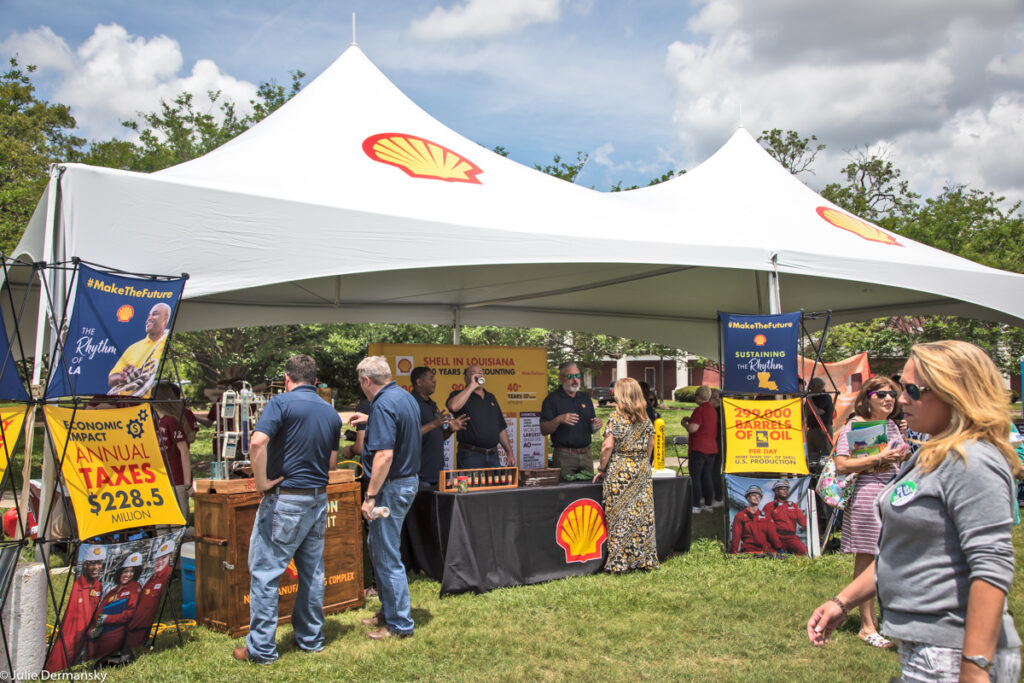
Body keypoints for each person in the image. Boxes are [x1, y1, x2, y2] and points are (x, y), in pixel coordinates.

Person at [809, 340, 1023, 681]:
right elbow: (905, 553)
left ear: (954, 392)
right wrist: (842, 602)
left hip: (955, 653)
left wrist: (975, 666)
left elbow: (991, 569)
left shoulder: (973, 460)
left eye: (912, 390)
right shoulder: (932, 454)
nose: (901, 399)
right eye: (898, 388)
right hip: (926, 649)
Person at [233, 354, 340, 664]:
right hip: (318, 498)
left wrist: (261, 481)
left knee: (266, 574)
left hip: (286, 499)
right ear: (316, 380)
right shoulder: (331, 413)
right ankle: (310, 638)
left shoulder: (280, 403)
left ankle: (261, 649)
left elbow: (257, 443)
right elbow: (331, 463)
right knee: (312, 572)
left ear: (287, 379)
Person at [831, 375, 908, 649]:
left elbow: (899, 456)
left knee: (891, 557)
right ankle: (867, 626)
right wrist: (878, 458)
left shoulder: (893, 426)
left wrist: (903, 454)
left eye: (892, 394)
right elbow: (840, 465)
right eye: (882, 394)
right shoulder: (855, 425)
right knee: (868, 559)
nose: (889, 399)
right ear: (868, 399)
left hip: (894, 496)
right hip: (866, 497)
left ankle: (890, 619)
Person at [355, 356, 421, 639]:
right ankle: (388, 611)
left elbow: (384, 455)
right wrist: (372, 419)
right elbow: (401, 428)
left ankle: (399, 625)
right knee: (378, 545)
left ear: (366, 381)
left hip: (391, 486)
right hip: (406, 482)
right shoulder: (403, 398)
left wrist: (370, 496)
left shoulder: (381, 404)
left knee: (386, 554)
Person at [592, 377, 657, 573]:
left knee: (619, 515)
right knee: (642, 514)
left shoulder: (615, 418)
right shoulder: (646, 418)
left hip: (620, 468)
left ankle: (619, 561)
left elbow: (607, 446)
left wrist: (602, 469)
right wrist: (642, 462)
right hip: (641, 468)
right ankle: (644, 559)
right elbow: (651, 444)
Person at [45, 545, 105, 672]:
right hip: (70, 637)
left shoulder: (98, 586)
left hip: (87, 636)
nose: (96, 567)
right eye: (92, 563)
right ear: (85, 565)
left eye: (99, 563)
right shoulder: (77, 585)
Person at [541, 362, 603, 478]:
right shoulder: (552, 399)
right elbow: (543, 429)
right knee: (566, 492)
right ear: (561, 378)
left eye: (578, 376)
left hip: (586, 455)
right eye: (570, 376)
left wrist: (596, 425)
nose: (575, 380)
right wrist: (559, 419)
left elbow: (592, 428)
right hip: (564, 456)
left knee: (588, 492)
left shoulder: (585, 398)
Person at [446, 364, 514, 468]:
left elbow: (500, 427)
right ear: (466, 378)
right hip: (470, 455)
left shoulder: (490, 397)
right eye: (473, 373)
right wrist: (472, 386)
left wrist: (509, 452)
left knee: (495, 484)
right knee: (468, 484)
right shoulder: (458, 394)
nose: (478, 375)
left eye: (480, 373)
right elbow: (453, 406)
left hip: (492, 455)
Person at [411, 366, 466, 489]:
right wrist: (433, 424)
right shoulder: (410, 403)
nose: (435, 381)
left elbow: (439, 437)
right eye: (431, 378)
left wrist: (450, 430)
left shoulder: (431, 404)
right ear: (419, 382)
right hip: (419, 475)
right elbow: (407, 435)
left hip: (437, 474)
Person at [88, 552, 143, 662]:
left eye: (131, 571)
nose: (128, 574)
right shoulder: (112, 592)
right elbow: (99, 612)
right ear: (119, 573)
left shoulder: (135, 589)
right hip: (101, 636)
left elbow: (130, 614)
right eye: (125, 571)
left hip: (118, 636)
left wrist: (107, 619)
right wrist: (92, 629)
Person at [107, 303, 171, 397]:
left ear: (166, 318)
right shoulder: (133, 348)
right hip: (129, 402)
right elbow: (111, 379)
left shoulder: (169, 342)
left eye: (155, 314)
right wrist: (123, 377)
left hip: (155, 402)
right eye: (149, 315)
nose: (149, 318)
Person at [124, 538, 175, 650]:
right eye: (157, 559)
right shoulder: (151, 578)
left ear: (170, 557)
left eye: (163, 558)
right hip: (133, 628)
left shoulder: (165, 576)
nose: (159, 562)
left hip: (140, 629)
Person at [152, 383, 191, 515]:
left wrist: (187, 483)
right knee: (161, 522)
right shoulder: (155, 420)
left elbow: (184, 451)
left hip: (176, 478)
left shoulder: (171, 420)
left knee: (177, 521)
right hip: (161, 478)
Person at [681, 385, 718, 513]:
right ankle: (708, 504)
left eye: (696, 395)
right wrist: (690, 420)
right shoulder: (712, 410)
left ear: (699, 396)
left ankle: (695, 505)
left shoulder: (699, 410)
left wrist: (685, 424)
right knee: (707, 476)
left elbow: (693, 428)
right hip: (711, 448)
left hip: (698, 448)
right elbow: (704, 424)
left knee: (695, 477)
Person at [729, 485, 782, 554]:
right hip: (749, 551)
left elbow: (773, 535)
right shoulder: (740, 516)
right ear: (748, 497)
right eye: (754, 495)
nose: (757, 497)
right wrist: (733, 553)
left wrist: (779, 548)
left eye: (759, 496)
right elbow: (736, 537)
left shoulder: (766, 516)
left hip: (767, 551)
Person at [763, 479, 806, 555]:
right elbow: (764, 526)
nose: (786, 491)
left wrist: (808, 528)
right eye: (783, 489)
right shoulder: (769, 507)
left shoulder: (793, 506)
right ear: (776, 491)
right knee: (771, 555)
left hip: (791, 538)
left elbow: (803, 520)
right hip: (776, 538)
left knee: (803, 551)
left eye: (787, 489)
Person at [805, 377, 834, 468]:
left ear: (818, 387)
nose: (810, 390)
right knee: (812, 455)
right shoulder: (813, 397)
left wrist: (809, 401)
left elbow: (816, 412)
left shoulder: (824, 397)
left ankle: (823, 472)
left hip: (823, 428)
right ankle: (813, 472)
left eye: (812, 388)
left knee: (824, 454)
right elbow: (806, 411)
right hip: (812, 429)